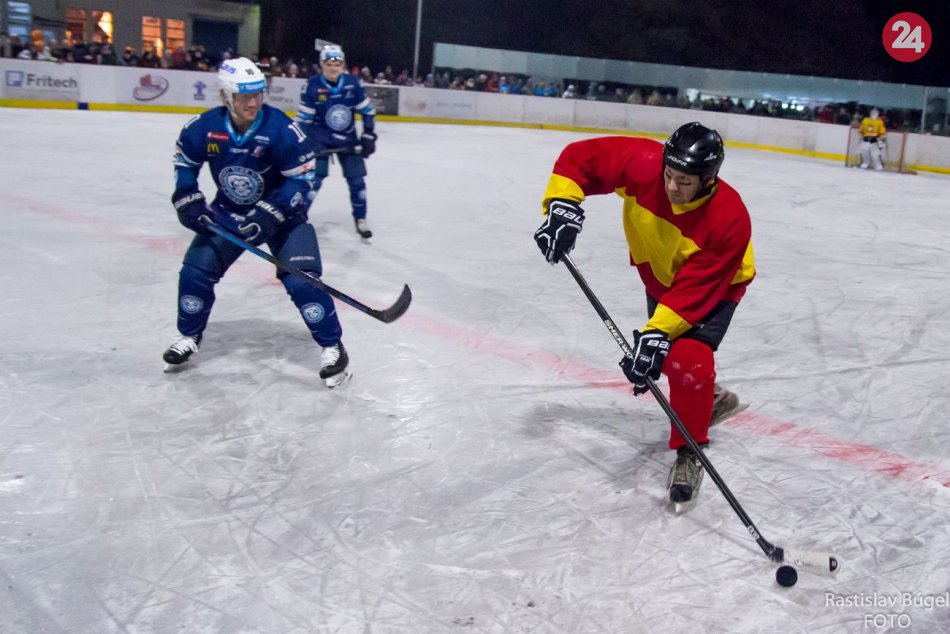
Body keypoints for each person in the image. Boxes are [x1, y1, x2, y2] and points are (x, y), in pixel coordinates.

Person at [533, 122, 754, 510]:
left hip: (714, 286)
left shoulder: (729, 219)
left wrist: (656, 335)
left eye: (684, 181)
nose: (671, 187)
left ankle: (690, 452)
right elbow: (579, 159)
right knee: (663, 355)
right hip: (659, 274)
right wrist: (563, 204)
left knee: (688, 362)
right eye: (669, 175)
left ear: (708, 179)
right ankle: (709, 402)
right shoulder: (644, 164)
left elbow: (695, 291)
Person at [163, 57, 351, 388]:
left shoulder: (281, 129)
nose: (253, 102)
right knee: (195, 272)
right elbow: (185, 162)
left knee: (302, 282)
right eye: (244, 96)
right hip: (228, 213)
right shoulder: (204, 127)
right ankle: (189, 335)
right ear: (225, 96)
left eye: (258, 94)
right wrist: (187, 196)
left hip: (284, 217)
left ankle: (333, 347)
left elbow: (302, 178)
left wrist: (271, 212)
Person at [294, 44, 378, 239]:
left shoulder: (352, 83)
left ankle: (360, 218)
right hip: (320, 142)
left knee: (357, 182)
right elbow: (303, 121)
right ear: (322, 64)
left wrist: (369, 134)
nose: (333, 68)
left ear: (342, 64)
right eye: (329, 64)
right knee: (313, 182)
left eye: (337, 63)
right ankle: (297, 218)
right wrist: (302, 144)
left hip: (348, 141)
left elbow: (368, 111)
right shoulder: (312, 86)